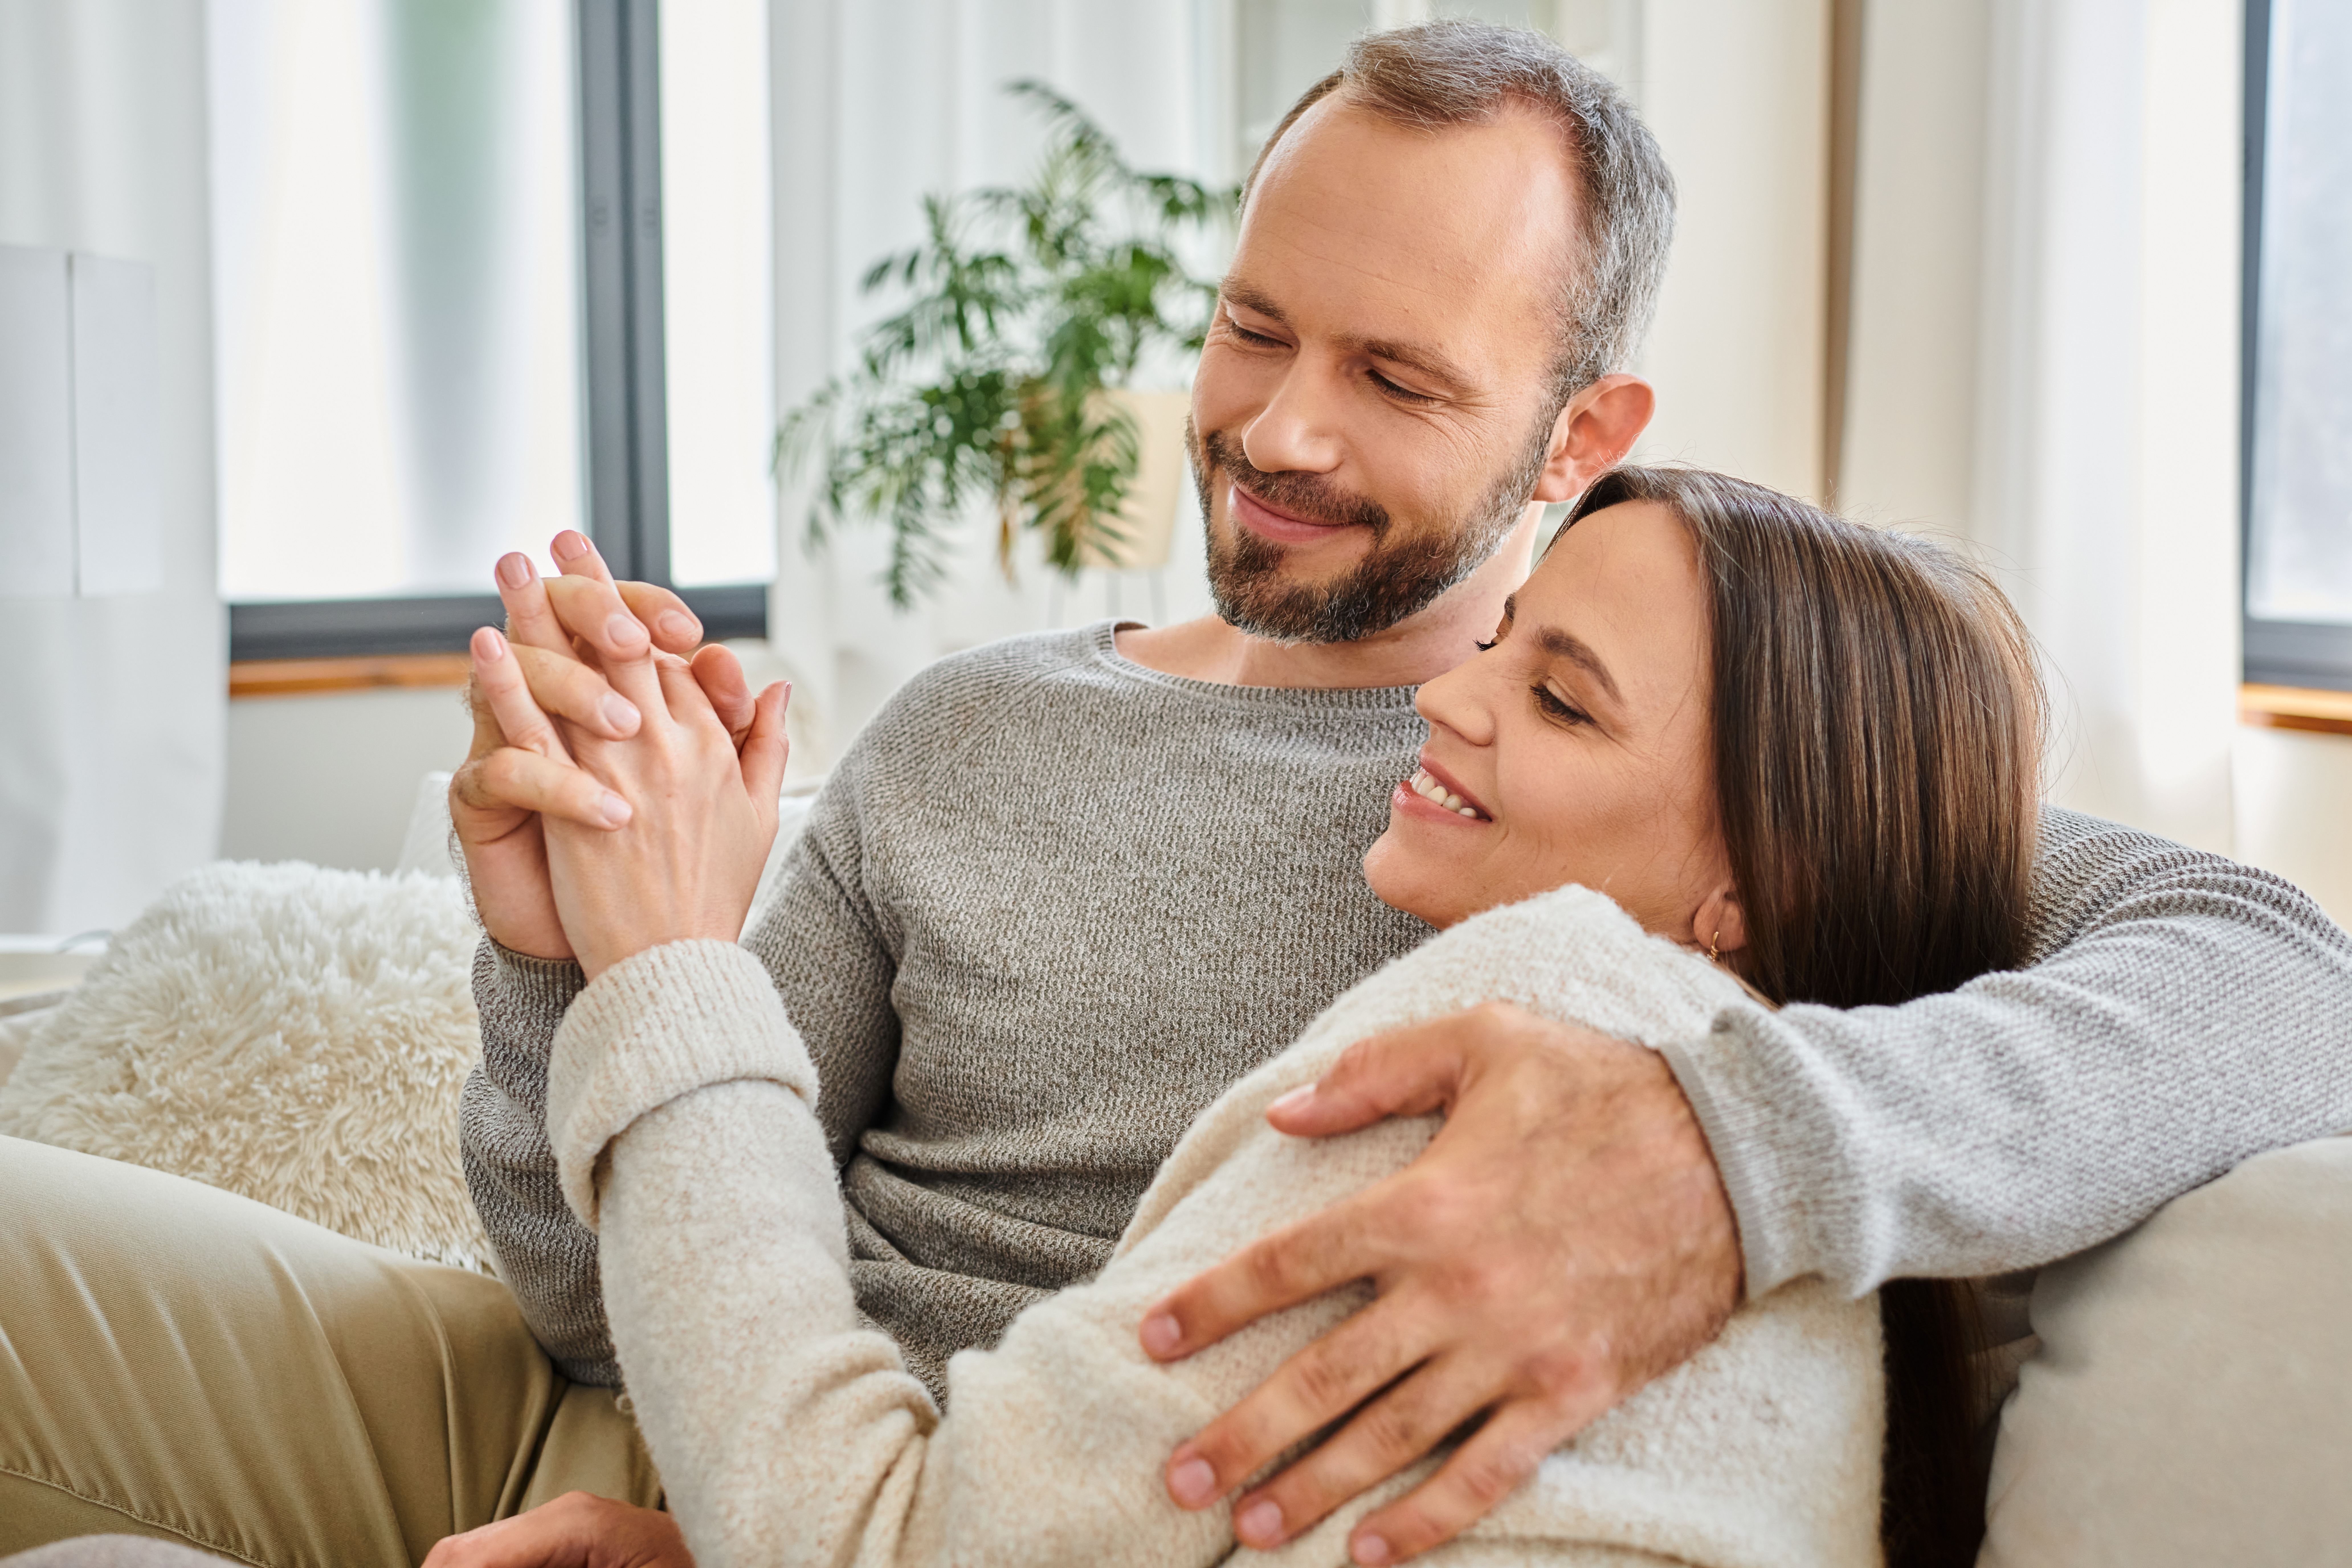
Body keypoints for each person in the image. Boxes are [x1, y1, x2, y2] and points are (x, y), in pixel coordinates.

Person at [449, 20, 2352, 1567]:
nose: (1279, 432)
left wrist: (1724, 1156)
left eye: (1397, 379)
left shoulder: (1661, 800)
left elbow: (2284, 980)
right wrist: (570, 965)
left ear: (1581, 436)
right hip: (709, 1431)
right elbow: (608, 1307)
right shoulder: (965, 735)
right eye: (1256, 327)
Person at [438, 466, 2036, 1568]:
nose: (1450, 700)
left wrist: (663, 961)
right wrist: (567, 968)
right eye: (1500, 644)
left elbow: (865, 1542)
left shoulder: (1541, 1075)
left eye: (1558, 698)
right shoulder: (1792, 1187)